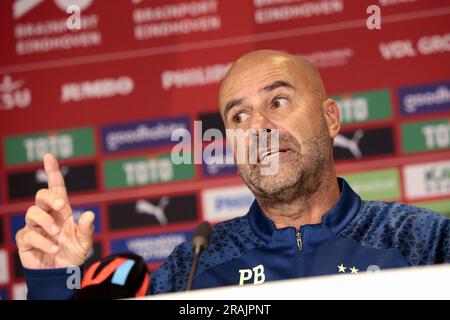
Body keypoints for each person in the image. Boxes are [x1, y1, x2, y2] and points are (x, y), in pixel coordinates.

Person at [17, 50, 449, 299]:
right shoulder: (192, 266)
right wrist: (57, 280)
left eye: (277, 102)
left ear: (330, 117)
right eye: (239, 116)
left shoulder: (424, 241)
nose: (258, 127)